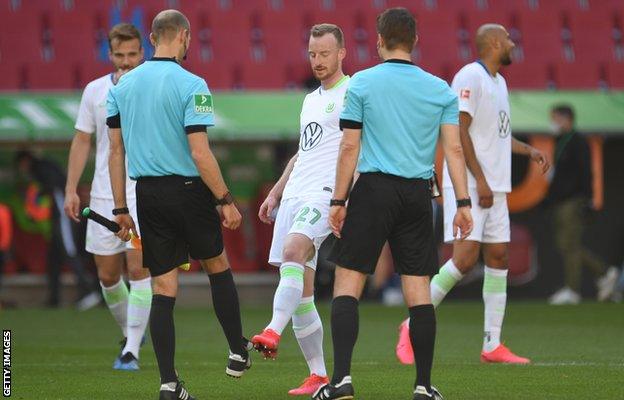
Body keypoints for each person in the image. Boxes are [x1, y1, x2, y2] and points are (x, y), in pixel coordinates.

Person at [313, 8, 473, 400]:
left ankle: (343, 382)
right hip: (418, 195)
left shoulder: (362, 84)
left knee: (347, 284)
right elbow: (453, 149)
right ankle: (422, 386)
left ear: (379, 40)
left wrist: (338, 200)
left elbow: (350, 145)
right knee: (419, 291)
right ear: (415, 40)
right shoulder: (439, 89)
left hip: (373, 191)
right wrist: (463, 203)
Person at [106, 10, 250, 400]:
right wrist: (225, 199)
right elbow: (200, 153)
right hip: (188, 190)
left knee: (163, 286)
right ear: (184, 36)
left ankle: (169, 383)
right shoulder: (194, 84)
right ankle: (237, 351)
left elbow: (115, 152)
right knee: (217, 266)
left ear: (152, 38)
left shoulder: (121, 86)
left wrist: (121, 208)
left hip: (147, 195)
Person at [395, 23, 550, 366]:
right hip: (469, 184)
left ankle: (492, 344)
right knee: (464, 259)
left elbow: (497, 135)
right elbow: (459, 128)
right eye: (509, 38)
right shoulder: (470, 76)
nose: (512, 43)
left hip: (495, 186)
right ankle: (410, 323)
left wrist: (529, 151)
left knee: (498, 257)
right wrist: (478, 180)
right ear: (495, 42)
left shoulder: (499, 82)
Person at [251, 23, 349, 396]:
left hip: (323, 195)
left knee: (294, 251)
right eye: (312, 54)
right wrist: (276, 192)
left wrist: (344, 197)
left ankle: (272, 330)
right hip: (295, 194)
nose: (318, 61)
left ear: (341, 53)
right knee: (303, 290)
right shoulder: (310, 99)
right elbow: (304, 151)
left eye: (325, 53)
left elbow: (357, 148)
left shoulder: (352, 93)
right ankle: (319, 375)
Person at [64, 23, 151, 371]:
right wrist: (71, 188)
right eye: (120, 55)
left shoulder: (151, 88)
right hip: (102, 195)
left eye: (133, 54)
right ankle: (133, 330)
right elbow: (83, 139)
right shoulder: (94, 91)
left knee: (139, 268)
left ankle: (130, 349)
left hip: (143, 191)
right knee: (108, 277)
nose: (126, 61)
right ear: (110, 54)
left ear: (142, 52)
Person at [546, 105, 619, 305]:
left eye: (554, 118)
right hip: (561, 201)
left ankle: (573, 289)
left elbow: (587, 172)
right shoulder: (560, 140)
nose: (552, 123)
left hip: (573, 200)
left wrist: (587, 199)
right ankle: (604, 272)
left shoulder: (578, 141)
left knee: (569, 245)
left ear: (565, 118)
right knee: (567, 245)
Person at [15, 150, 99, 309]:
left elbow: (54, 186)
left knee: (69, 251)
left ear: (26, 160)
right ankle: (54, 298)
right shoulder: (43, 167)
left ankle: (88, 292)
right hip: (57, 213)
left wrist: (36, 197)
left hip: (63, 211)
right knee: (53, 257)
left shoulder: (41, 168)